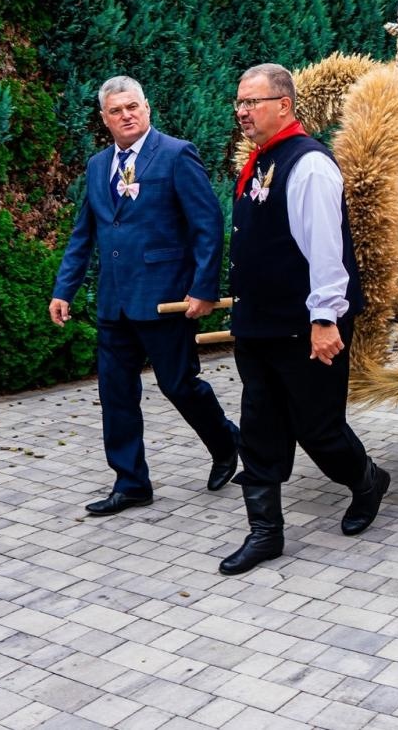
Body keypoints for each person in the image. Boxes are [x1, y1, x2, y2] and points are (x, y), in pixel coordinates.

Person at [217, 63, 390, 575]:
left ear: (284, 105)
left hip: (305, 325)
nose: (243, 112)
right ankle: (265, 533)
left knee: (319, 430)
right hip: (257, 324)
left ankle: (366, 481)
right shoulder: (261, 161)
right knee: (259, 427)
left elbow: (326, 251)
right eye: (240, 103)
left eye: (253, 102)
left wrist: (323, 319)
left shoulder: (309, 164)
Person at [50, 77, 240, 516]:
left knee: (179, 385)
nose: (126, 115)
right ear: (105, 119)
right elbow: (85, 233)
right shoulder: (99, 166)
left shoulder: (176, 155)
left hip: (165, 298)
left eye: (132, 106)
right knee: (116, 393)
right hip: (115, 301)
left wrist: (204, 287)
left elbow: (207, 224)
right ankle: (131, 482)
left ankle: (226, 439)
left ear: (147, 108)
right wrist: (65, 289)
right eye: (116, 111)